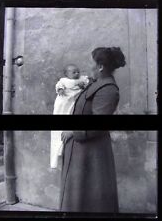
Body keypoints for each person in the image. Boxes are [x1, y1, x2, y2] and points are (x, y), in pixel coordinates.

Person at [59, 47, 126, 212]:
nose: (90, 67)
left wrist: (73, 132)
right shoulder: (97, 84)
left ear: (101, 66)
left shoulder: (108, 89)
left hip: (91, 154)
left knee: (90, 202)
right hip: (82, 152)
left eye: (92, 63)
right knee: (78, 199)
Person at [50, 64, 89, 168]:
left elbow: (88, 83)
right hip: (65, 101)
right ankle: (58, 151)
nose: (77, 74)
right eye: (73, 72)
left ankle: (62, 147)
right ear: (67, 74)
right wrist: (61, 90)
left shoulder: (82, 79)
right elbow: (59, 86)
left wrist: (83, 85)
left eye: (78, 72)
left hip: (74, 102)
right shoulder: (63, 81)